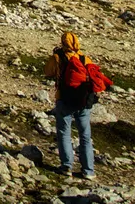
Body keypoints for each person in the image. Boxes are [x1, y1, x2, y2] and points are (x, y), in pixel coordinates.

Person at [43, 31, 96, 180]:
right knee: (85, 136)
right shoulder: (85, 59)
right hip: (83, 102)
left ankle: (66, 166)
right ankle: (88, 170)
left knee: (64, 133)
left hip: (64, 99)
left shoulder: (58, 57)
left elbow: (48, 72)